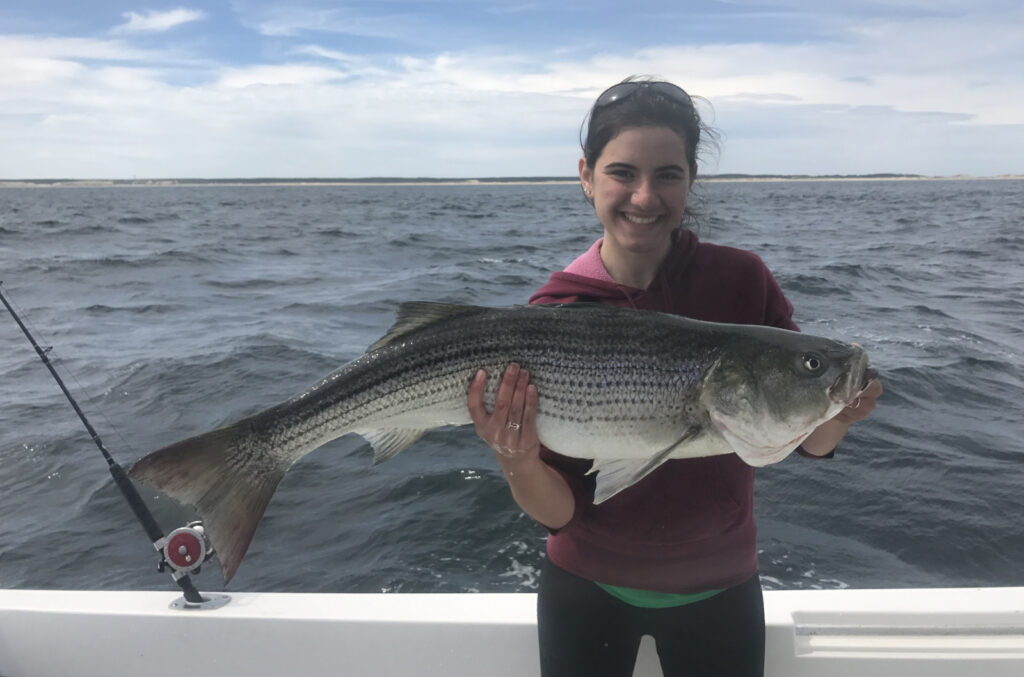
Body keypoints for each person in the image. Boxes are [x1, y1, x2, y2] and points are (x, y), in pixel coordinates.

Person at [466, 77, 883, 677]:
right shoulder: (552, 317)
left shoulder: (744, 281)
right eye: (622, 173)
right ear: (585, 175)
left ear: (691, 179)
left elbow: (807, 442)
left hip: (722, 589)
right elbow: (558, 513)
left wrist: (837, 409)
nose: (644, 196)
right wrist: (516, 457)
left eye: (667, 174)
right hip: (586, 591)